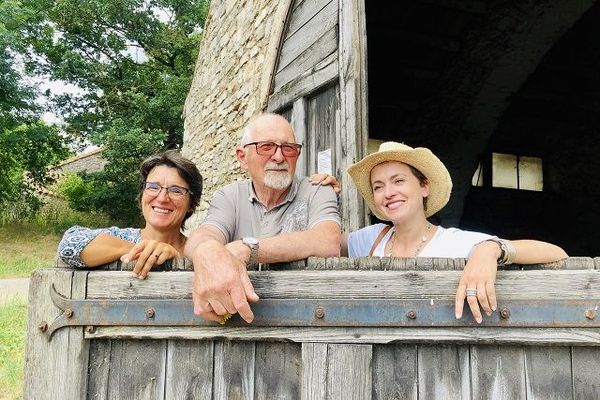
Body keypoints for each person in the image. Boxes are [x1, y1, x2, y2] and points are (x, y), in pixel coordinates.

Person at [344, 141, 568, 323]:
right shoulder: (371, 239)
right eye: (378, 186)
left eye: (398, 181)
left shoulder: (455, 242)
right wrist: (319, 188)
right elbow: (327, 243)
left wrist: (491, 249)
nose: (389, 192)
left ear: (424, 187)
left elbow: (556, 253)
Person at [184, 113, 341, 324]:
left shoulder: (318, 191)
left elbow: (328, 242)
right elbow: (205, 235)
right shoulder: (229, 196)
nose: (278, 157)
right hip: (236, 329)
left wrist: (247, 248)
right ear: (242, 157)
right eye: (266, 147)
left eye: (288, 148)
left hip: (307, 321)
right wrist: (207, 250)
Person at [57, 150, 203, 279]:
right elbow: (69, 245)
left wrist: (176, 259)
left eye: (176, 190)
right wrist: (143, 250)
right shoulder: (120, 237)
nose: (162, 198)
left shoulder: (200, 252)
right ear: (142, 195)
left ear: (192, 203)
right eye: (153, 187)